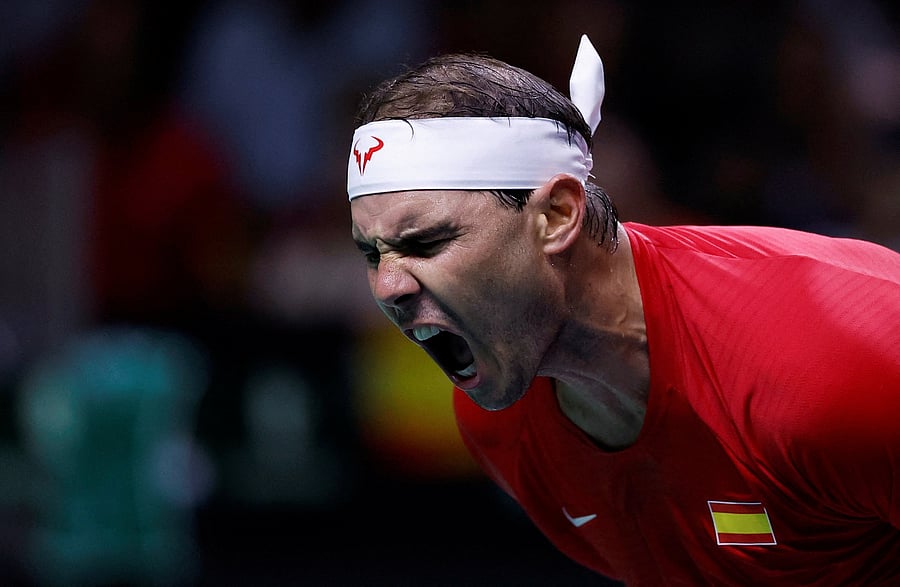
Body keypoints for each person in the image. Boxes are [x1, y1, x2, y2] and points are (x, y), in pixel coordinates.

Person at [344, 35, 900, 586]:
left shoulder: (838, 361)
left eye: (427, 243)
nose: (387, 286)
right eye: (372, 254)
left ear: (557, 215)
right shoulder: (501, 427)